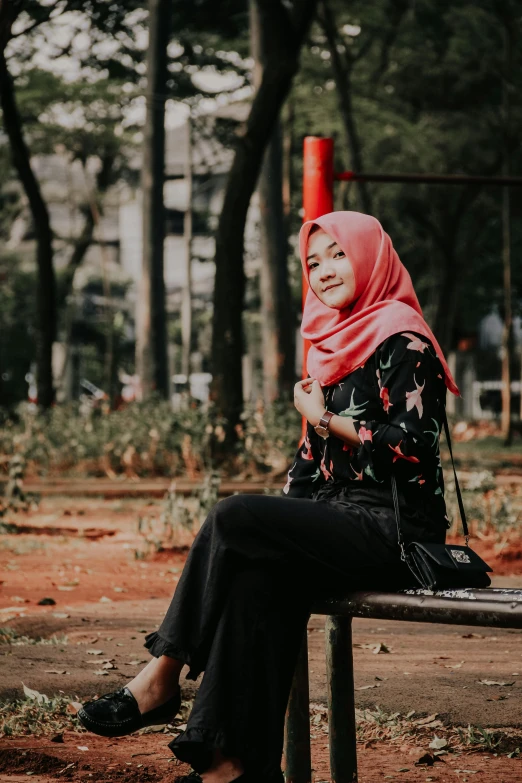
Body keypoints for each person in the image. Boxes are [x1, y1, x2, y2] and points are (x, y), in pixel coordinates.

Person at [77, 211, 460, 783]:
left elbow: (412, 447)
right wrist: (289, 500)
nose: (325, 271)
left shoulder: (405, 339)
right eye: (313, 262)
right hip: (333, 523)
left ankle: (162, 675)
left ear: (371, 257)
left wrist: (325, 420)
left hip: (394, 529)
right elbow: (308, 464)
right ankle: (233, 769)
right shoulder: (329, 344)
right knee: (256, 577)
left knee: (232, 515)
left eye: (338, 255)